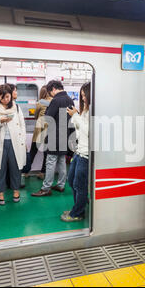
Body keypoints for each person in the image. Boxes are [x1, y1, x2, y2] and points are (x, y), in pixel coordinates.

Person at [31, 80, 74, 197]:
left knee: (50, 162)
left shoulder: (56, 100)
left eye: (50, 92)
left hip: (55, 136)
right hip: (65, 135)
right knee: (61, 161)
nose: (51, 94)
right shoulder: (70, 100)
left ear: (54, 89)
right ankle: (61, 185)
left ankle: (46, 188)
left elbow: (48, 118)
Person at [0, 84, 26, 205]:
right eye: (2, 97)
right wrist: (1, 121)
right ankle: (0, 193)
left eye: (7, 96)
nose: (5, 99)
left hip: (15, 143)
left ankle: (16, 191)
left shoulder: (17, 107)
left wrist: (23, 141)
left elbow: (22, 125)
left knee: (16, 168)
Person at [61, 82, 90, 222]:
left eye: (85, 96)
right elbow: (81, 129)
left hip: (86, 155)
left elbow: (90, 131)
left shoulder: (94, 111)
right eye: (82, 96)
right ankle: (78, 207)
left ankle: (78, 212)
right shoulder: (86, 110)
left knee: (80, 184)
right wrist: (77, 116)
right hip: (79, 151)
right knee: (72, 181)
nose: (83, 98)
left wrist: (76, 116)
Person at [24, 86, 51, 179]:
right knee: (46, 153)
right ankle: (43, 173)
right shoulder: (53, 101)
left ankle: (26, 171)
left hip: (40, 128)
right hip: (49, 129)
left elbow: (35, 115)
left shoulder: (41, 102)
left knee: (33, 151)